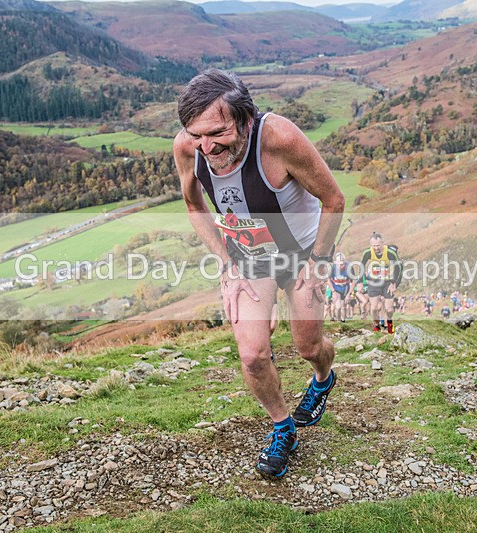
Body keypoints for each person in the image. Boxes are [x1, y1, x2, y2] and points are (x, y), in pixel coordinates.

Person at [173, 69, 345, 478]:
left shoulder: (279, 139)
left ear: (246, 119)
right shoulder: (189, 147)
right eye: (197, 135)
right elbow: (195, 206)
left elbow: (334, 198)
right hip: (249, 259)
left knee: (307, 346)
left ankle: (323, 377)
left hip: (303, 253)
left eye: (217, 132)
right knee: (252, 354)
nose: (206, 146)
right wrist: (225, 262)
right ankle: (283, 428)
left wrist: (319, 262)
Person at [361, 232, 402, 333]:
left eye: (378, 245)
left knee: (389, 309)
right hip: (373, 282)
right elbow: (361, 266)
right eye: (373, 246)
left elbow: (399, 269)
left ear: (382, 243)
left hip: (387, 282)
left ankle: (389, 324)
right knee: (374, 308)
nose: (375, 248)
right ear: (370, 245)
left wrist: (394, 284)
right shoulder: (367, 252)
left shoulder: (390, 253)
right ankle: (376, 325)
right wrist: (361, 281)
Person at [329, 252, 352, 322]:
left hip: (345, 288)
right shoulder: (332, 267)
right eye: (338, 264)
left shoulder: (349, 267)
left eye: (342, 264)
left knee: (343, 306)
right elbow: (327, 280)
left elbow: (353, 281)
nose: (340, 266)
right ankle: (338, 321)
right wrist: (333, 291)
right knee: (338, 307)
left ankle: (343, 321)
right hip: (336, 288)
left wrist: (349, 294)